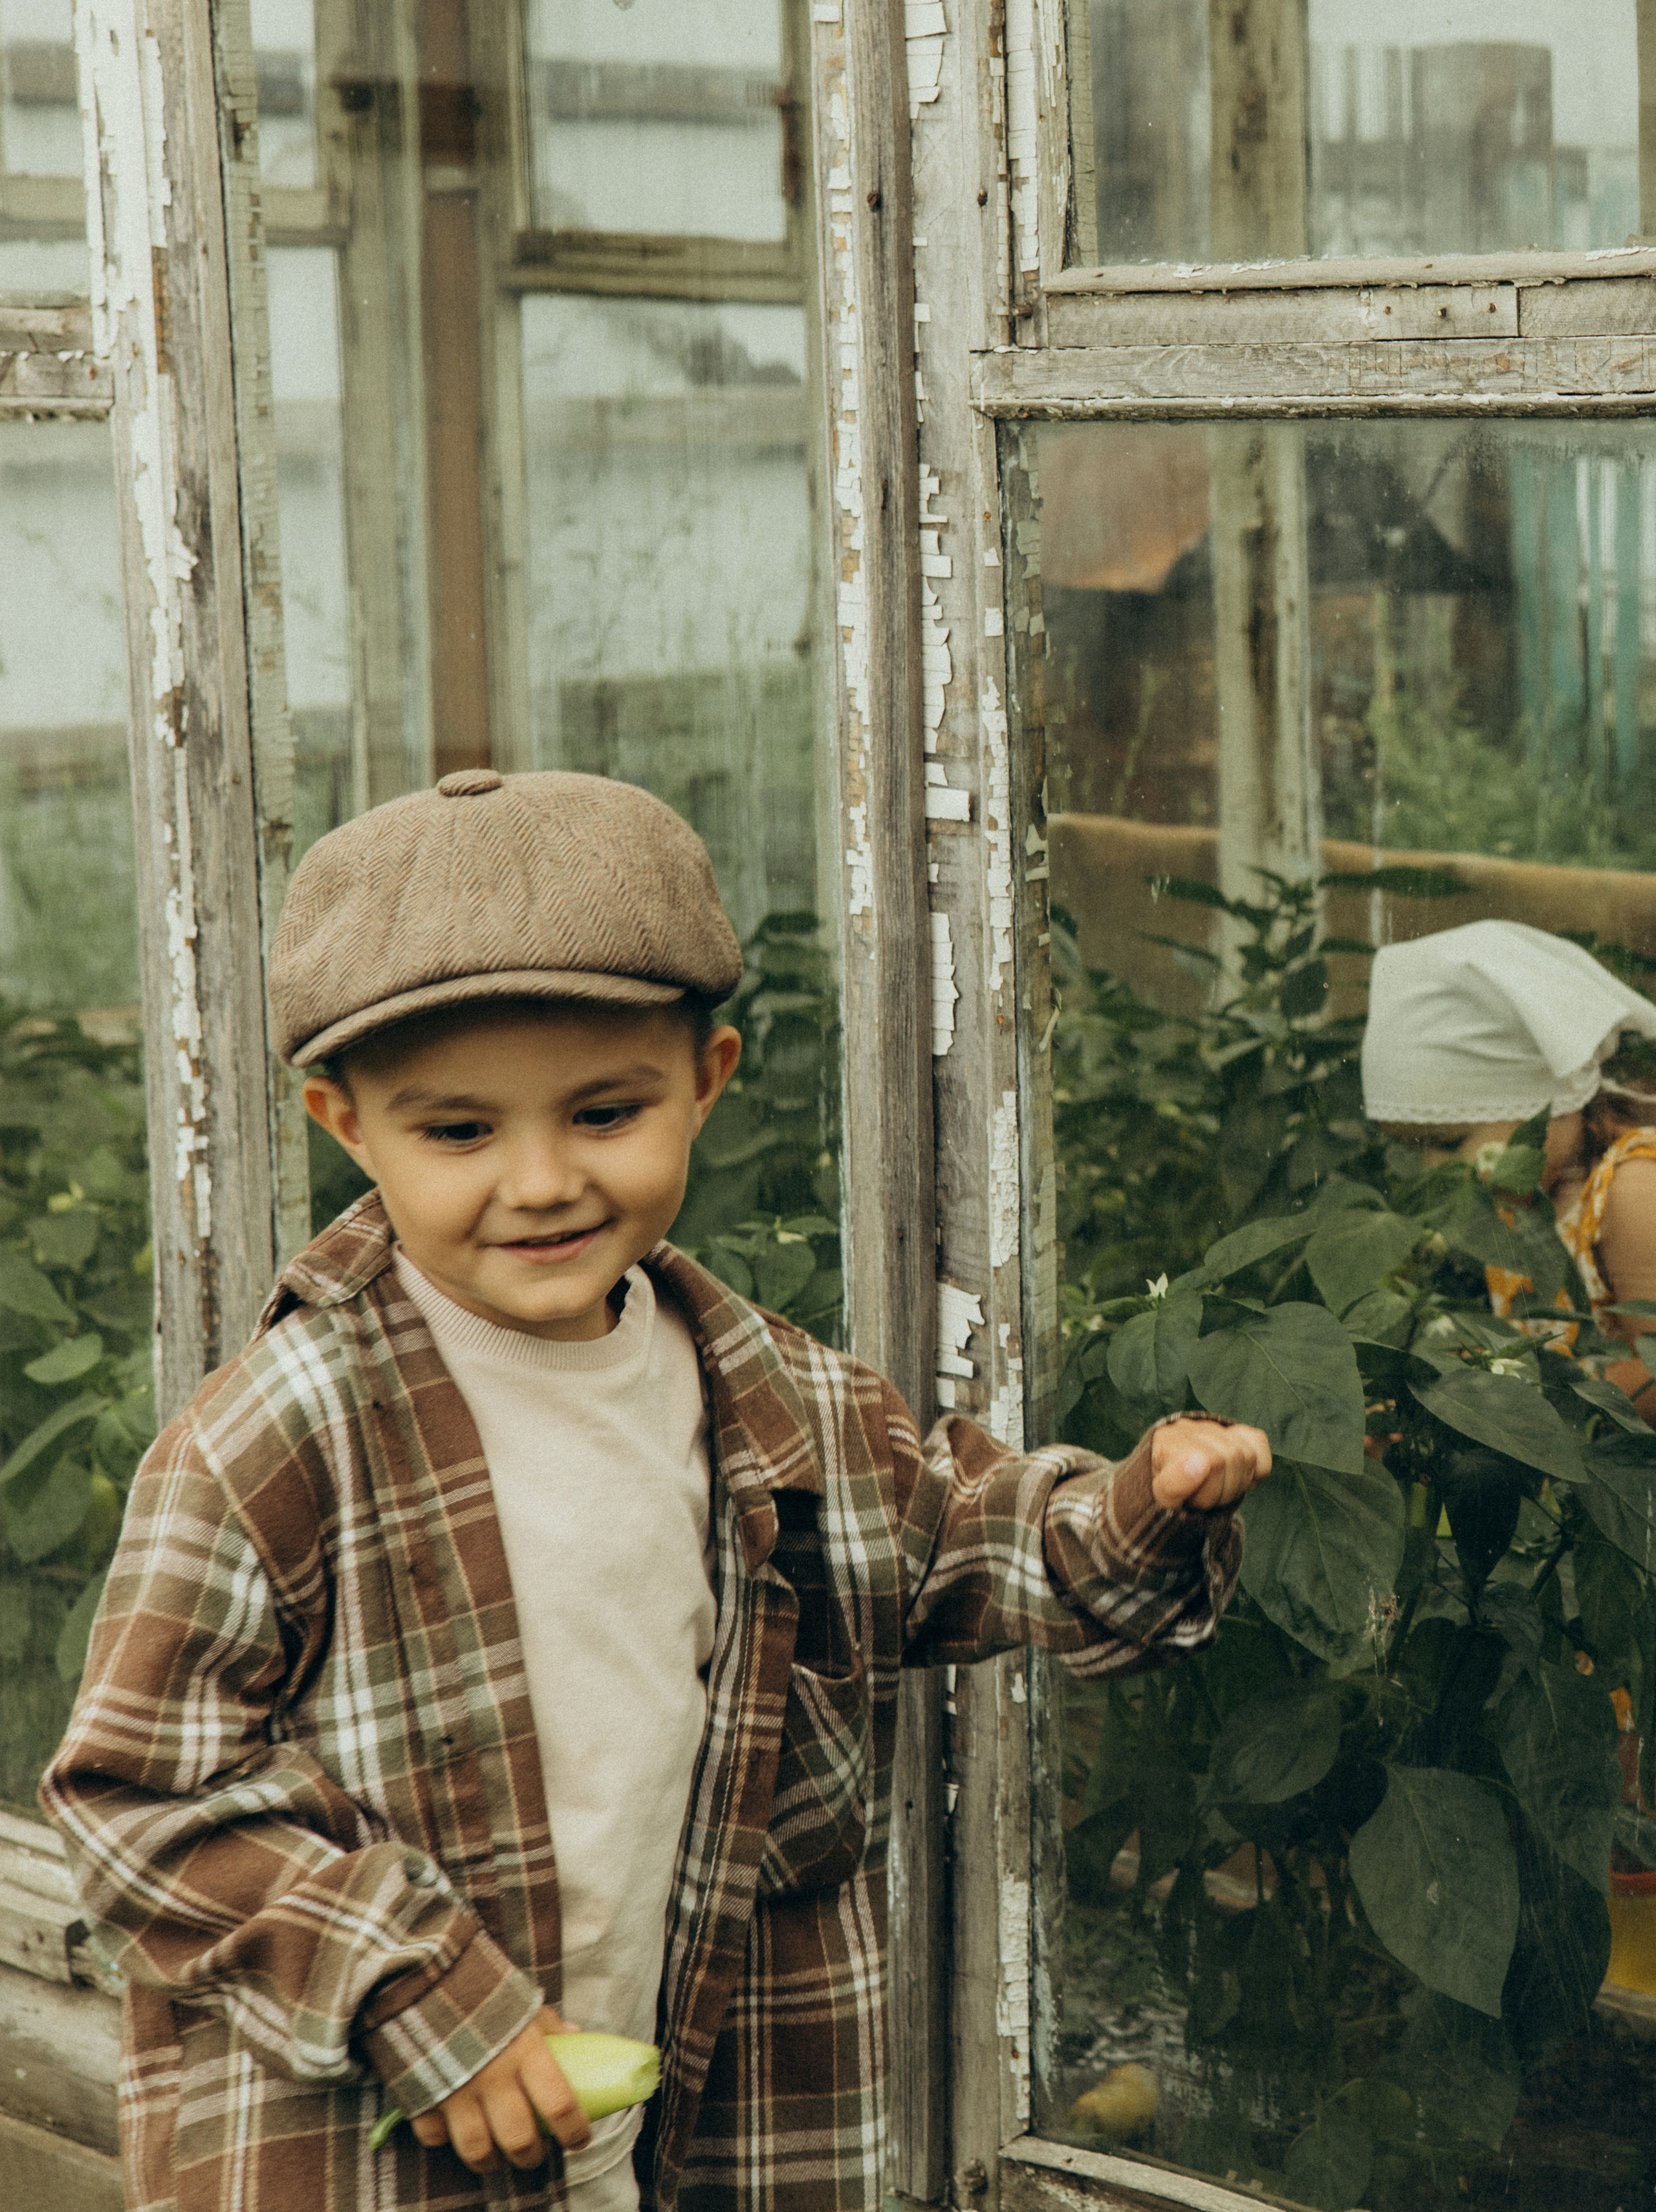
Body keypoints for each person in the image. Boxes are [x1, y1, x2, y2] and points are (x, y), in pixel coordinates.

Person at [40, 768, 1270, 2212]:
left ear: (707, 1080)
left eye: (605, 1111)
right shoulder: (283, 1436)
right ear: (342, 1122)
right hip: (384, 2142)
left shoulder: (769, 1395)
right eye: (459, 1132)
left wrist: (1137, 1507)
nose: (543, 1179)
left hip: (704, 2114)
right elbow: (138, 1797)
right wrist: (419, 1984)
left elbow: (960, 1542)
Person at [1361, 917, 1656, 1414]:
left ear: (1546, 1096)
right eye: (1419, 1148)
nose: (1434, 1168)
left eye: (1451, 1140)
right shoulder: (1517, 1206)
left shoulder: (1631, 1188)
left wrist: (1508, 1406)